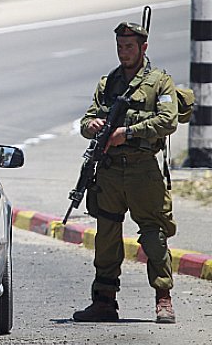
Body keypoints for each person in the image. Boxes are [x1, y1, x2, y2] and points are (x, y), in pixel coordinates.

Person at [72, 20, 178, 324]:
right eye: (120, 47)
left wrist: (128, 133)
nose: (124, 53)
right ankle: (104, 301)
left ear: (143, 48)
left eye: (129, 47)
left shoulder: (159, 82)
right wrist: (91, 126)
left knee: (153, 235)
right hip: (109, 172)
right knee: (106, 235)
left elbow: (168, 121)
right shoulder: (108, 84)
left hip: (142, 170)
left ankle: (163, 298)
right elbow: (87, 120)